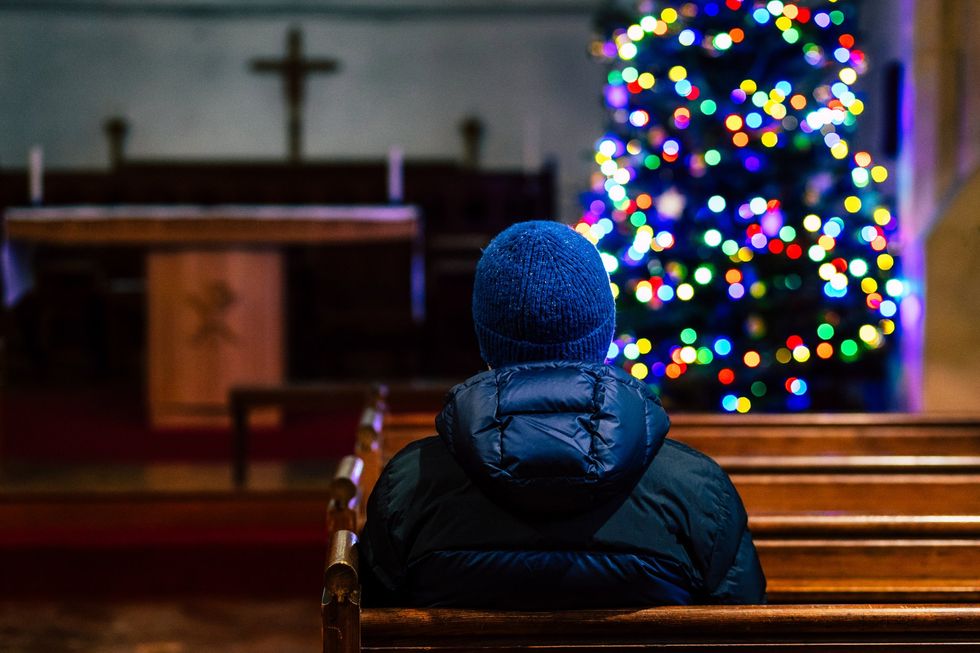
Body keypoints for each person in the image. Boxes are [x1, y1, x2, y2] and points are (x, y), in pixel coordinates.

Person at [358, 220, 766, 608]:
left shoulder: (409, 490)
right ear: (605, 334)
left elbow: (369, 631)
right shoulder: (697, 494)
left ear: (485, 340)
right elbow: (744, 636)